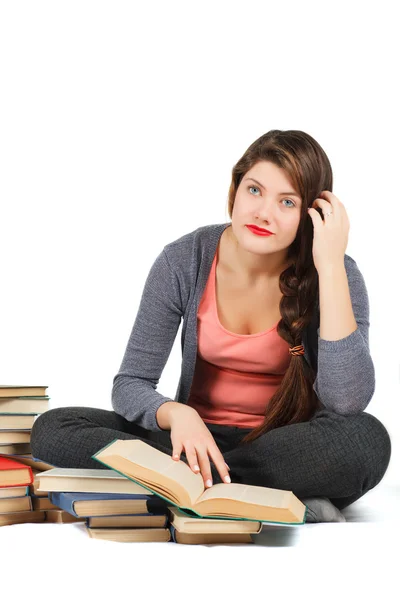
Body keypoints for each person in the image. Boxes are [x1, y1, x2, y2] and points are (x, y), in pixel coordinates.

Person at [30, 129, 391, 523]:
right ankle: (270, 497)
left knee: (366, 440)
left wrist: (331, 266)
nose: (263, 212)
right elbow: (130, 383)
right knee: (54, 428)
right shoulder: (184, 260)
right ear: (234, 190)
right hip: (188, 442)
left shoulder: (336, 274)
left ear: (311, 215)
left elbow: (346, 402)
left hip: (284, 448)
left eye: (286, 201)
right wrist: (177, 415)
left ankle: (179, 487)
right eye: (254, 190)